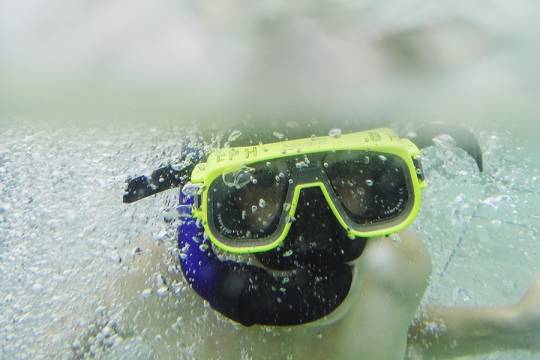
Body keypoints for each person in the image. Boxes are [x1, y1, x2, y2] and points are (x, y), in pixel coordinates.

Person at [114, 126, 540, 360]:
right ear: (214, 206)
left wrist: (514, 325)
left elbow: (400, 339)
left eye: (349, 177)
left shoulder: (393, 268)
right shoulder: (157, 286)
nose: (311, 227)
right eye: (263, 185)